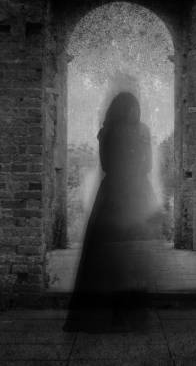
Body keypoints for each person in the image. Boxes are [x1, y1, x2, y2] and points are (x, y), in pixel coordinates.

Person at [64, 92, 158, 333]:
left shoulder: (110, 131)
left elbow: (109, 164)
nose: (134, 112)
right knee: (126, 255)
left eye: (136, 107)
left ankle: (119, 313)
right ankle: (126, 314)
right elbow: (144, 165)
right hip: (130, 193)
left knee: (118, 255)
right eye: (131, 108)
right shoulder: (136, 131)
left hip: (118, 192)